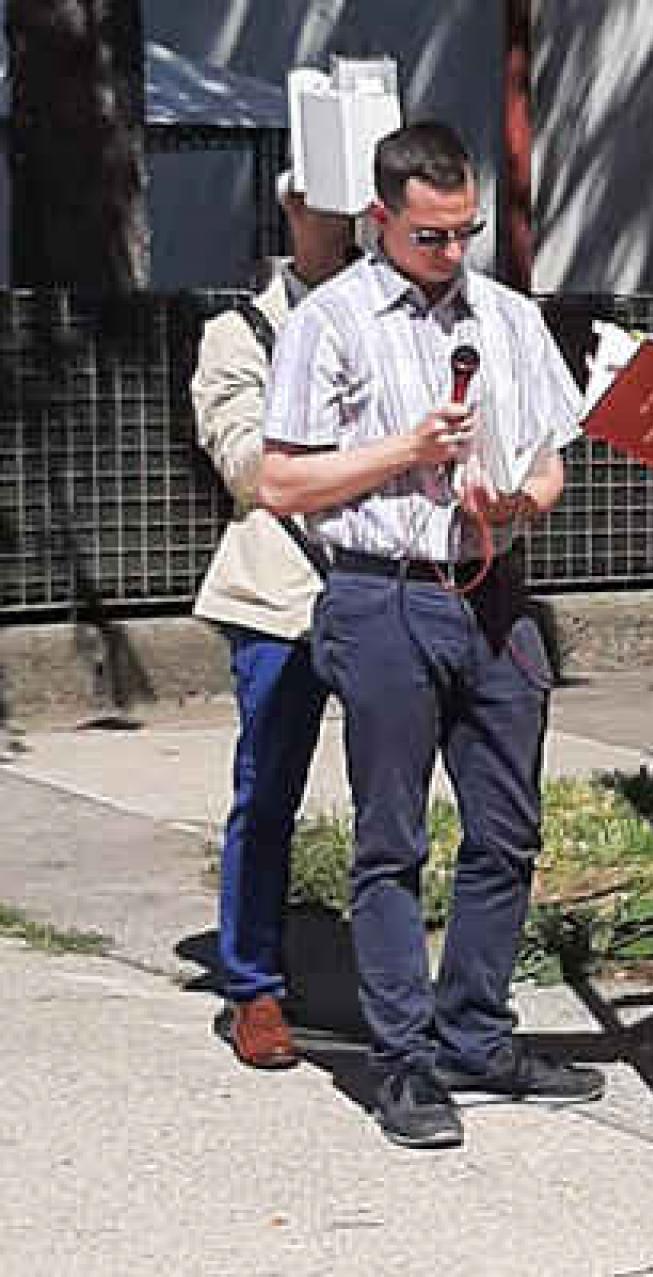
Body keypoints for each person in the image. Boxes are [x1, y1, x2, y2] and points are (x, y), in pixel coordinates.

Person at [257, 122, 602, 1150]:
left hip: (490, 594)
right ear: (382, 221)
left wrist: (520, 502)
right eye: (431, 238)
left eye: (467, 233)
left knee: (506, 828)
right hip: (385, 593)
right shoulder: (333, 322)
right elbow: (281, 479)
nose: (453, 257)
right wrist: (402, 449)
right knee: (392, 836)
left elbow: (551, 456)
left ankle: (476, 1032)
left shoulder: (503, 314)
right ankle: (403, 1059)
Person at [193, 172, 356, 1070]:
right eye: (326, 200)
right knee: (267, 792)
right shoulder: (237, 334)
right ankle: (252, 985)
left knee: (394, 798)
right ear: (293, 205)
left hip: (384, 583)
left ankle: (390, 987)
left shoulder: (402, 314)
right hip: (278, 593)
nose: (346, 220)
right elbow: (250, 469)